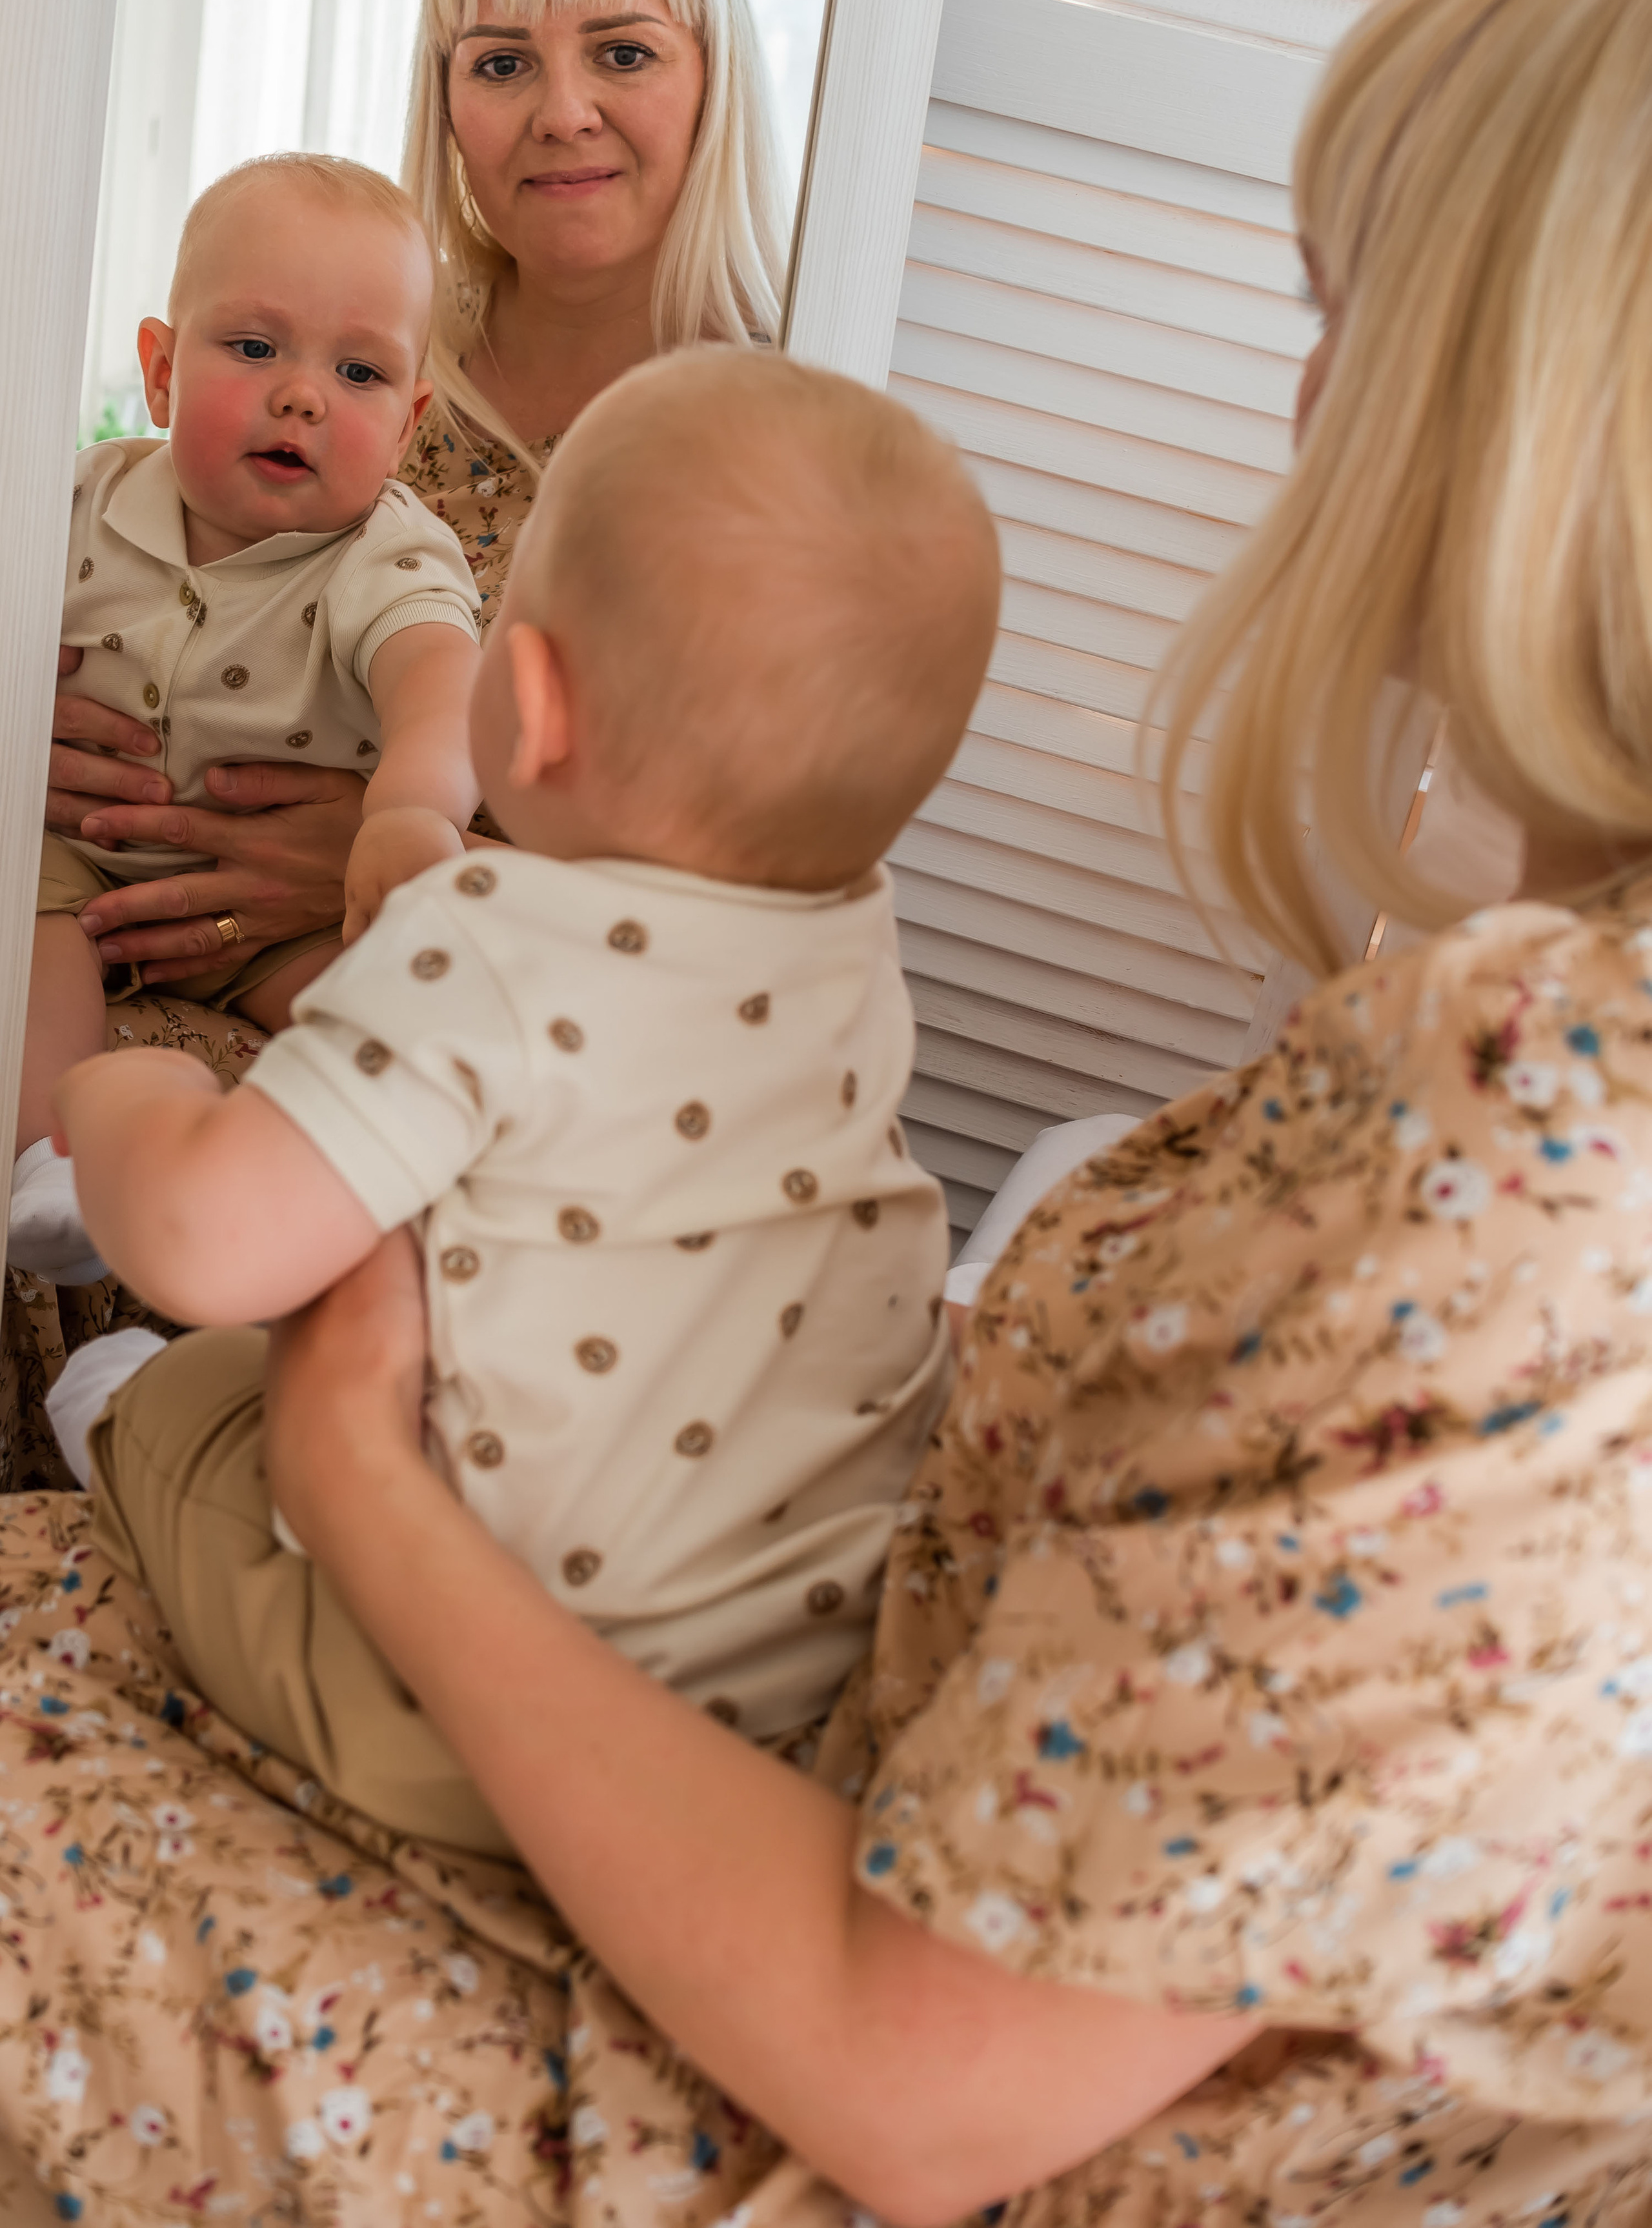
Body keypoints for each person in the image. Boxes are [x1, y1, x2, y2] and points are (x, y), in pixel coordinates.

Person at [7, 0, 1652, 2228]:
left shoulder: (1550, 1130)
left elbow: (927, 2073)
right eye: (496, 57)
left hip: (708, 1916)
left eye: (1343, 309)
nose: (1303, 404)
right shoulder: (1471, 1023)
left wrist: (352, 1452)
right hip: (757, 1636)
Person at [46, 352, 996, 1852]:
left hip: (456, 1709)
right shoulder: (848, 953)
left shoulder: (487, 939)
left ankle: (105, 1430)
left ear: (529, 704)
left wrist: (127, 1095)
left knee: (188, 1388)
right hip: (761, 1703)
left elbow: (203, 1240)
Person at [3, 0, 789, 1470]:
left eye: (621, 51)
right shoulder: (342, 363)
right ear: (447, 105)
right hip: (122, 957)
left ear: (712, 78)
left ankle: (197, 1490)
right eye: (500, 62)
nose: (559, 109)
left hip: (465, 1022)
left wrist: (360, 860)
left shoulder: (776, 447)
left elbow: (745, 890)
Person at [10, 155, 481, 1289]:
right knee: (32, 938)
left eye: (358, 369)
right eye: (256, 348)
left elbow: (440, 681)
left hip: (280, 925)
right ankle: (51, 1163)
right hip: (78, 869)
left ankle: (366, 1233)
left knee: (387, 1019)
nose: (303, 394)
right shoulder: (79, 500)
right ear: (161, 372)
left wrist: (411, 812)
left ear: (411, 422)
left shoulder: (385, 554)